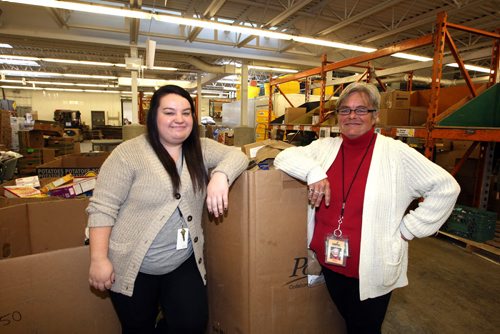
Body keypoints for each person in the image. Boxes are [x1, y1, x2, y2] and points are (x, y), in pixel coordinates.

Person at [274, 82, 460, 334]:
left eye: (361, 110)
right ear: (337, 116)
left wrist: (409, 229)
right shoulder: (324, 148)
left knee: (365, 328)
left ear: (376, 116)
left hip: (372, 266)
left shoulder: (396, 153)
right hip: (330, 262)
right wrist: (314, 172)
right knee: (349, 322)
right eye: (345, 110)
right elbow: (283, 157)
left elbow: (446, 187)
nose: (352, 116)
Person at [86, 85, 248, 334]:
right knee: (137, 327)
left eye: (186, 112)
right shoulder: (128, 155)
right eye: (170, 112)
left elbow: (238, 156)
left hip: (181, 260)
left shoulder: (200, 148)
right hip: (134, 264)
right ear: (154, 116)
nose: (179, 120)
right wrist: (98, 259)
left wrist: (220, 176)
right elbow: (102, 208)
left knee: (192, 323)